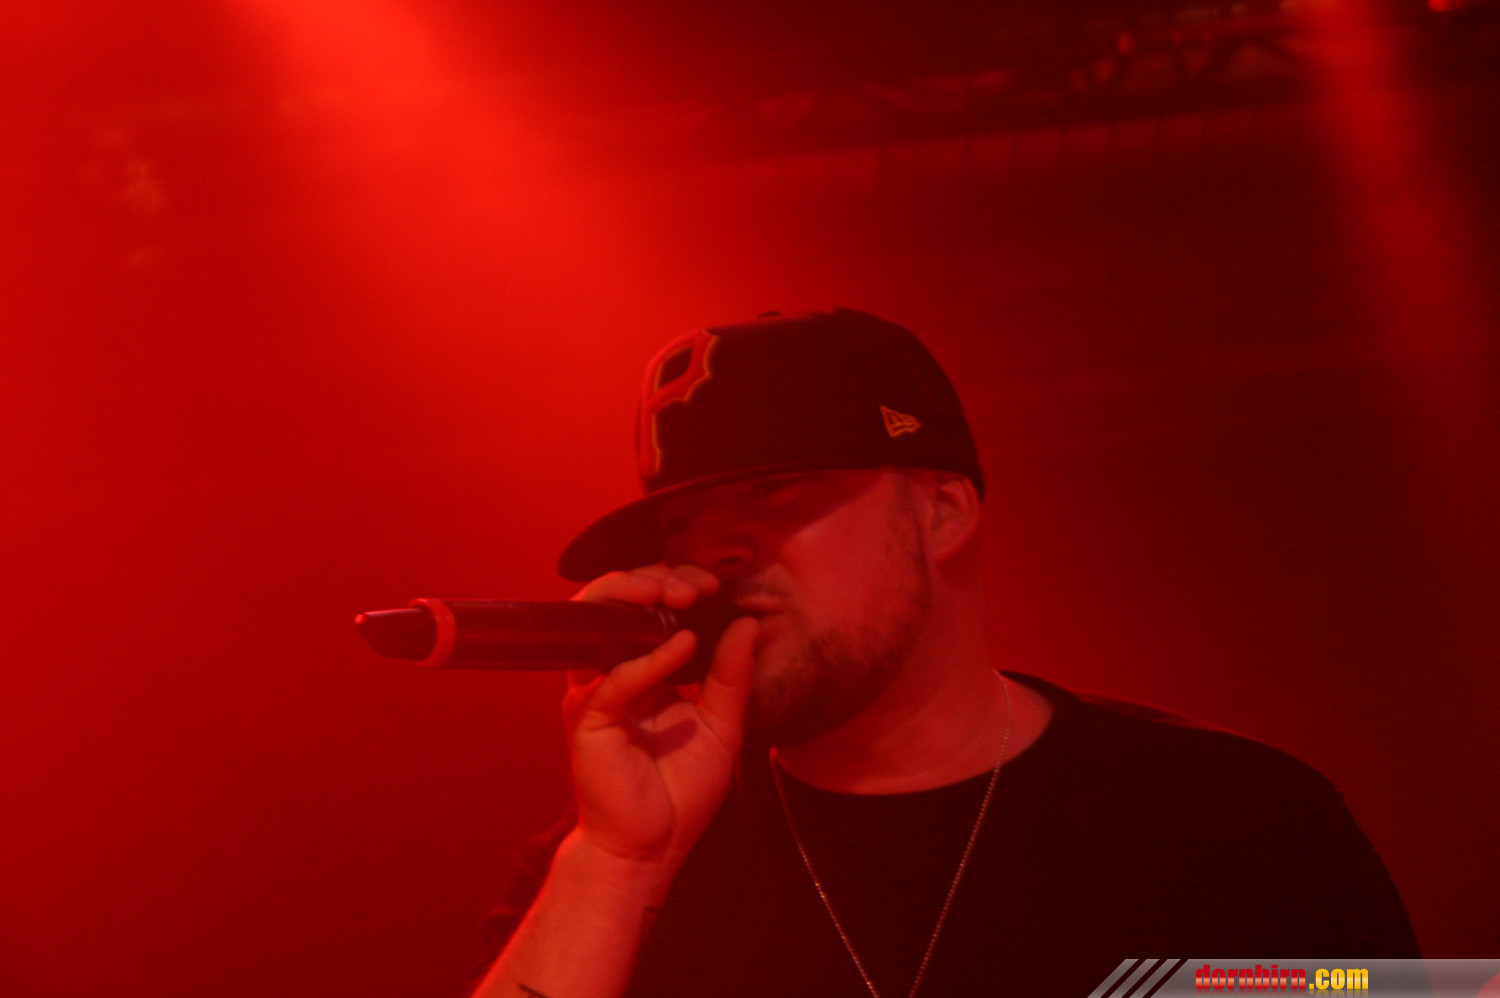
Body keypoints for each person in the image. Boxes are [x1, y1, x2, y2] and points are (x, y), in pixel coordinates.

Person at [471, 309, 1418, 998]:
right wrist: (619, 861)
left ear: (942, 511)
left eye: (774, 491)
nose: (714, 551)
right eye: (683, 525)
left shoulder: (1234, 818)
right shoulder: (606, 863)